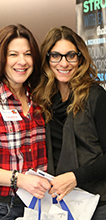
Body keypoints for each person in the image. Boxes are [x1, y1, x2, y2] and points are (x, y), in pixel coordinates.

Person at [32, 26, 106, 220]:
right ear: (47, 59)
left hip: (101, 202)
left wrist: (76, 177)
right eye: (56, 56)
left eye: (71, 56)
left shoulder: (95, 96)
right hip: (61, 203)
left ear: (80, 59)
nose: (64, 63)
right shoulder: (43, 100)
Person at [0, 24, 50, 219]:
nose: (22, 61)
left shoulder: (39, 99)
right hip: (5, 207)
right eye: (13, 54)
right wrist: (18, 179)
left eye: (27, 54)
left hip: (39, 205)